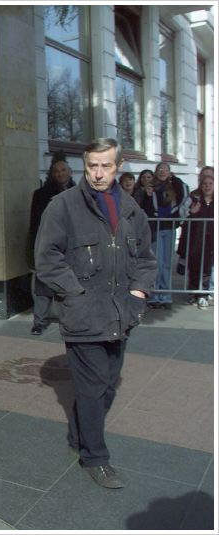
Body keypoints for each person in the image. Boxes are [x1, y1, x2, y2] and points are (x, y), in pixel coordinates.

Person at [35, 138, 156, 489]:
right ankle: (95, 457)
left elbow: (146, 259)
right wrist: (76, 294)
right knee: (92, 388)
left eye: (106, 166)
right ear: (84, 165)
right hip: (83, 315)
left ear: (118, 167)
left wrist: (137, 294)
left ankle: (78, 436)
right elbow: (47, 259)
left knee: (106, 386)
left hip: (121, 314)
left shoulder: (131, 208)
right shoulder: (63, 206)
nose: (98, 173)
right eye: (92, 166)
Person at [26, 151, 75, 335]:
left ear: (70, 172)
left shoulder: (78, 193)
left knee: (68, 284)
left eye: (63, 170)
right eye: (56, 171)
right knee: (43, 286)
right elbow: (34, 225)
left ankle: (70, 321)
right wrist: (34, 250)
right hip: (47, 245)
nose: (60, 173)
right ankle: (40, 321)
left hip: (70, 246)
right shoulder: (41, 195)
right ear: (52, 174)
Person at [147, 162, 189, 309]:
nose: (162, 172)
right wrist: (148, 195)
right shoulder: (151, 187)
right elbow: (146, 207)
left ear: (169, 172)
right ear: (156, 172)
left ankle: (165, 295)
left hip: (169, 228)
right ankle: (154, 295)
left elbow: (184, 192)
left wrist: (174, 178)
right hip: (155, 229)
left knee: (166, 263)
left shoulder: (174, 187)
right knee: (156, 262)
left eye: (165, 170)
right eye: (160, 169)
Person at [181, 166, 214, 309]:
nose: (207, 186)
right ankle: (193, 293)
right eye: (205, 183)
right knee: (194, 266)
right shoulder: (194, 198)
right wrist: (191, 212)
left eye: (210, 183)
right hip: (195, 238)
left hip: (211, 239)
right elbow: (183, 214)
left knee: (207, 267)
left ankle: (203, 294)